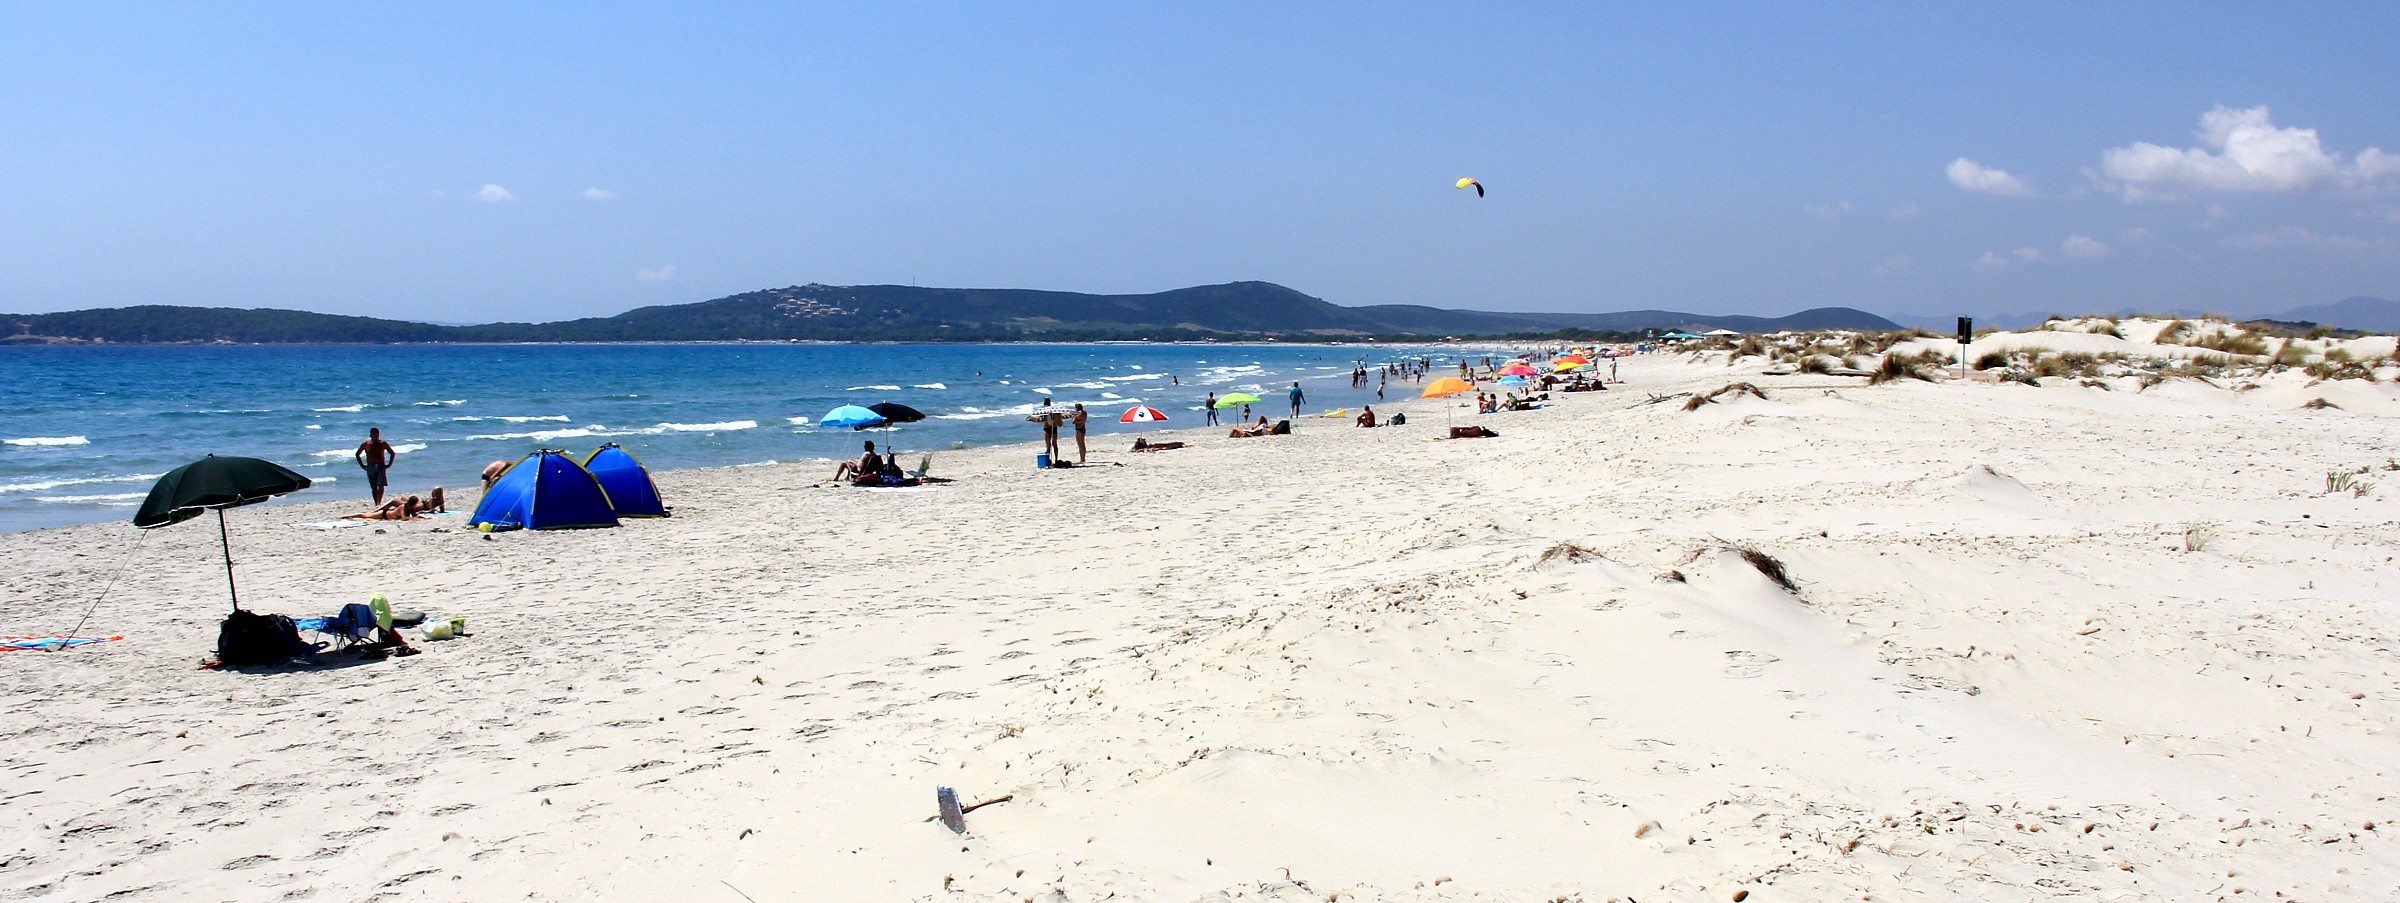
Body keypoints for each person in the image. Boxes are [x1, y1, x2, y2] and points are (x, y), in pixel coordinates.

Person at [354, 428, 396, 506]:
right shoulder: (366, 444)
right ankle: (376, 502)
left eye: (377, 435)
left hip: (380, 465)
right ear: (370, 435)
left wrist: (389, 464)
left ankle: (379, 502)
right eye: (374, 435)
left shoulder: (382, 443)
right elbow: (357, 454)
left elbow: (392, 453)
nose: (376, 437)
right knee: (374, 486)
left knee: (381, 484)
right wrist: (362, 465)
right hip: (371, 466)